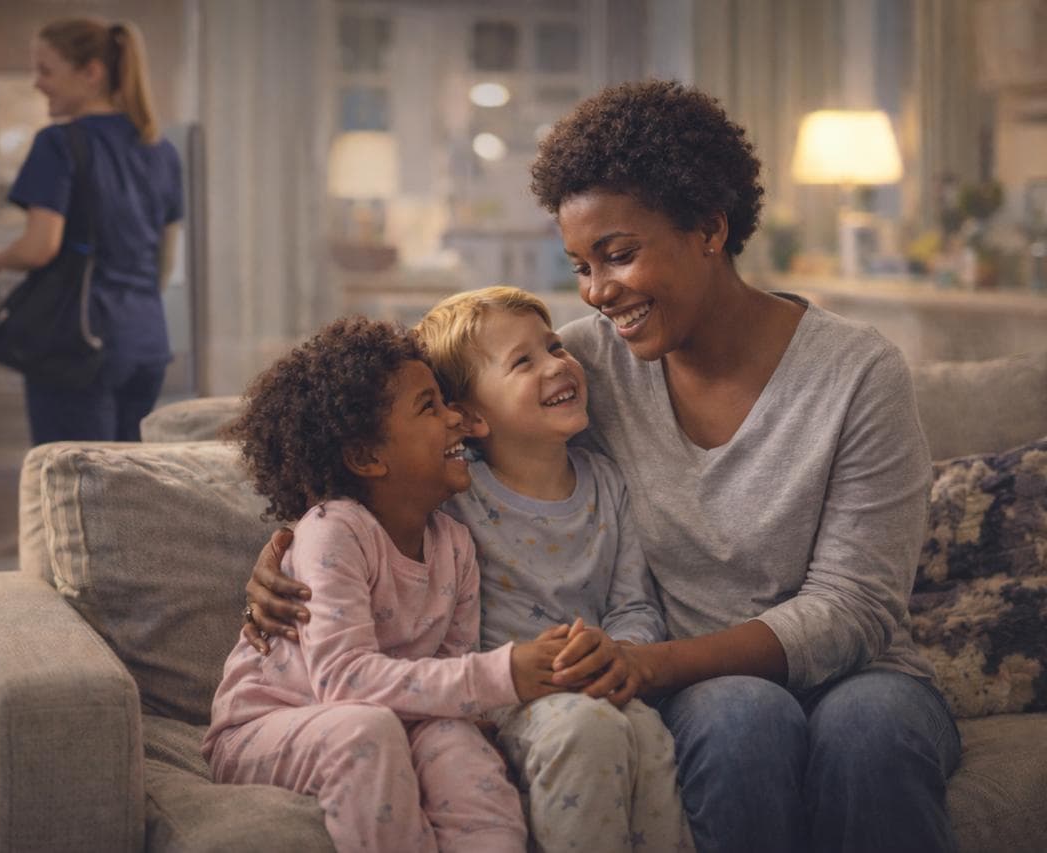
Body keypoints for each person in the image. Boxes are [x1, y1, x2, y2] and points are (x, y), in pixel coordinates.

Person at [245, 81, 961, 853]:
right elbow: (402, 411)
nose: (596, 293)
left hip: (851, 673)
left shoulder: (859, 374)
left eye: (618, 255)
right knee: (742, 719)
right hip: (704, 691)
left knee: (872, 732)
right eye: (581, 265)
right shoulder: (585, 363)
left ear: (710, 228)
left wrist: (649, 661)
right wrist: (298, 538)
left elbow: (854, 606)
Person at [202, 316, 571, 852]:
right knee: (365, 731)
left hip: (391, 717)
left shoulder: (456, 544)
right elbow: (343, 684)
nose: (456, 420)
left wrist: (474, 711)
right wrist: (504, 673)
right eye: (430, 406)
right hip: (268, 727)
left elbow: (448, 671)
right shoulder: (335, 530)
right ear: (366, 456)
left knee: (460, 745)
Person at [413, 286, 693, 853]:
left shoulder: (607, 483)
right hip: (506, 698)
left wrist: (617, 654)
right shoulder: (454, 496)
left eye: (554, 346)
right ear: (469, 417)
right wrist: (285, 544)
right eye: (523, 361)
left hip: (599, 685)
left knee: (647, 733)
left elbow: (634, 604)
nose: (557, 365)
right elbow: (360, 510)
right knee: (584, 731)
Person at [0, 18, 183, 445]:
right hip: (146, 342)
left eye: (47, 71)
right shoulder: (160, 151)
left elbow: (39, 247)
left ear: (91, 73)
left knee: (74, 491)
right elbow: (166, 260)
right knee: (128, 487)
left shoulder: (58, 144)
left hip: (80, 345)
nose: (38, 84)